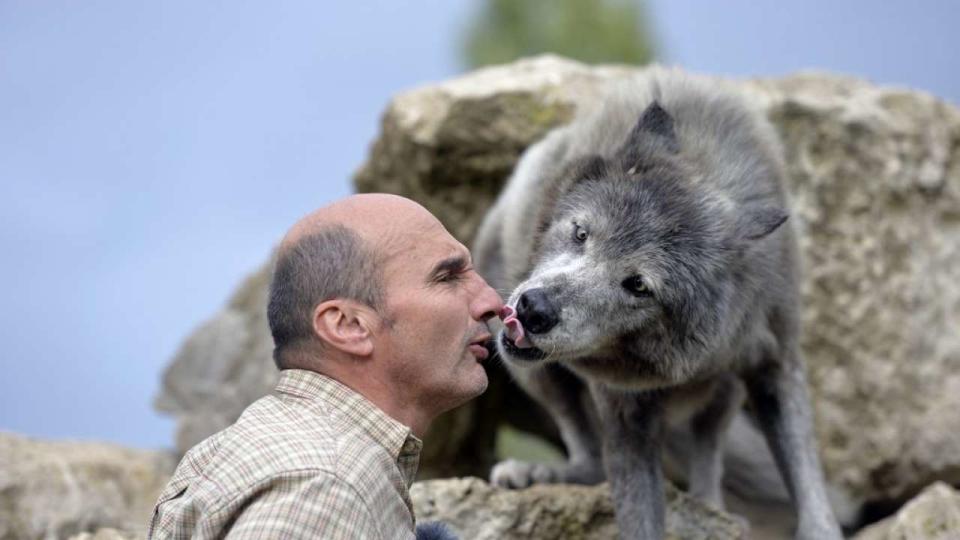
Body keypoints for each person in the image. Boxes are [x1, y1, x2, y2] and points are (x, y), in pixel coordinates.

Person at [148, 193, 504, 539]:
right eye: (447, 278)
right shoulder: (325, 484)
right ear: (348, 326)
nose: (493, 302)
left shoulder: (289, 452)